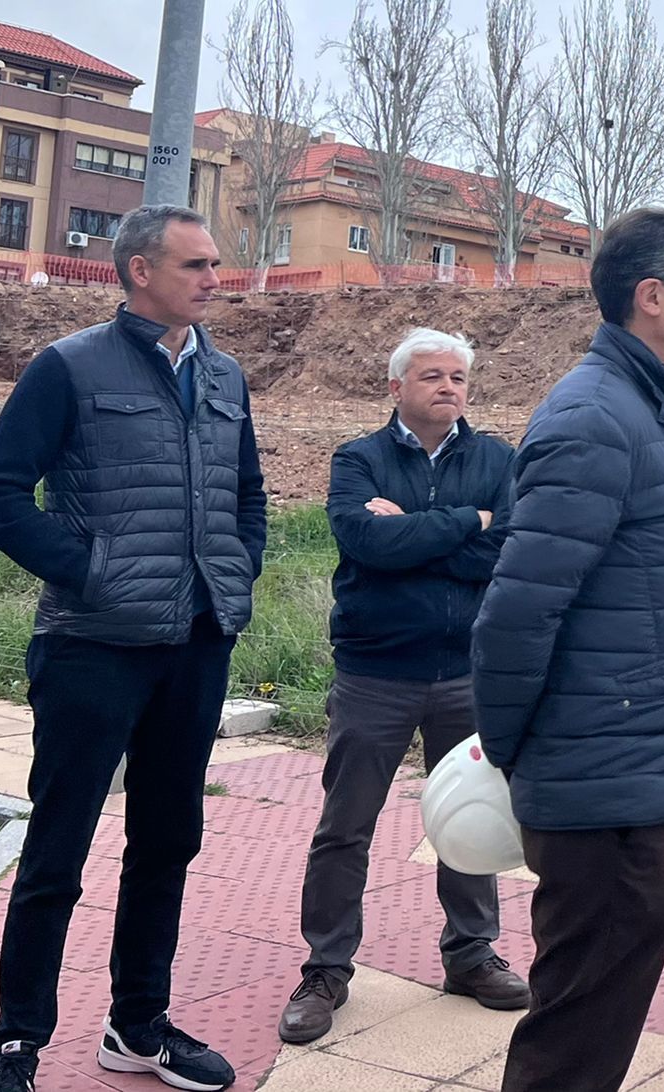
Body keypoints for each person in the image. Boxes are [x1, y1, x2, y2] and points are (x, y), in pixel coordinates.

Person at [0, 205, 266, 1092]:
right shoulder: (68, 366)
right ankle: (18, 1042)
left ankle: (139, 1025)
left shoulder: (225, 375)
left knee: (167, 841)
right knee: (57, 851)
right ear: (140, 271)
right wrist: (90, 572)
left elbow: (248, 493)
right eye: (197, 265)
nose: (217, 279)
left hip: (195, 645)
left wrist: (236, 572)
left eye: (216, 264)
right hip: (92, 647)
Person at [470, 207, 664, 1092]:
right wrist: (523, 758)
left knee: (596, 1017)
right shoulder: (597, 417)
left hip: (633, 769)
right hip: (603, 785)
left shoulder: (657, 407)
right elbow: (515, 616)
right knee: (577, 1031)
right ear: (651, 296)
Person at [278, 328, 527, 1045]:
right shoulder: (358, 458)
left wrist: (421, 531)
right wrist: (464, 523)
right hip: (375, 672)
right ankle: (326, 968)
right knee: (345, 827)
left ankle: (471, 954)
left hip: (466, 673)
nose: (448, 387)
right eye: (431, 376)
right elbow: (368, 546)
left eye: (458, 376)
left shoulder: (499, 459)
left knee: (475, 823)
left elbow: (508, 545)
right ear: (396, 387)